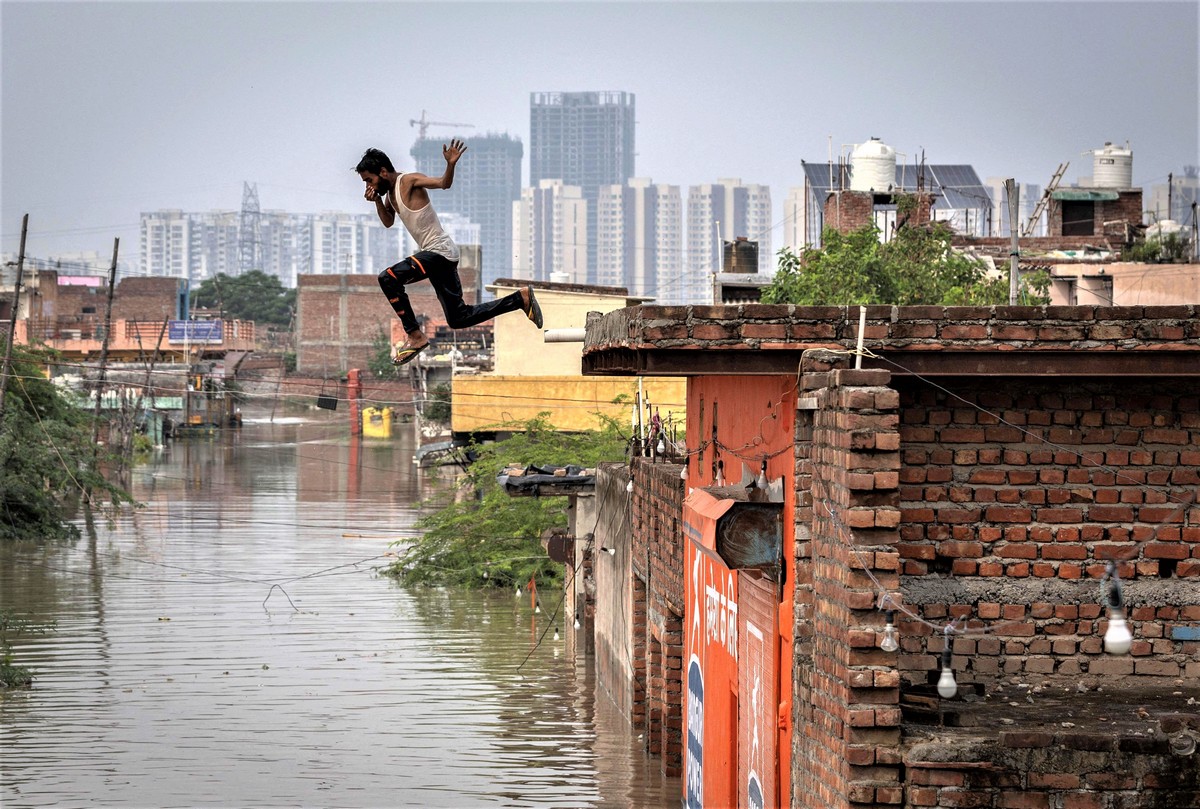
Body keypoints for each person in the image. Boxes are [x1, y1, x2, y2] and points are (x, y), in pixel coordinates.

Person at [355, 141, 542, 366]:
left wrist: (450, 165)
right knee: (458, 318)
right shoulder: (389, 196)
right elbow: (387, 222)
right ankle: (520, 299)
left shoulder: (409, 181)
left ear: (383, 172)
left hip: (439, 252)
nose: (369, 185)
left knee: (388, 278)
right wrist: (376, 199)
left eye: (370, 180)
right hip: (439, 256)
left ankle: (414, 335)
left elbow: (444, 183)